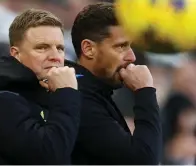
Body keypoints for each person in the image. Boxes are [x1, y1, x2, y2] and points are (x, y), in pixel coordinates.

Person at [0, 9, 81, 165]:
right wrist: (67, 93)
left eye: (60, 48)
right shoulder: (1, 101)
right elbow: (49, 155)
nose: (55, 56)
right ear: (16, 54)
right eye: (42, 47)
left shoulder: (50, 97)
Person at [67, 3, 162, 164]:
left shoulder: (94, 91)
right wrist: (145, 92)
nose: (131, 57)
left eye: (131, 46)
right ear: (88, 49)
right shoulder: (77, 98)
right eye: (121, 46)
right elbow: (143, 160)